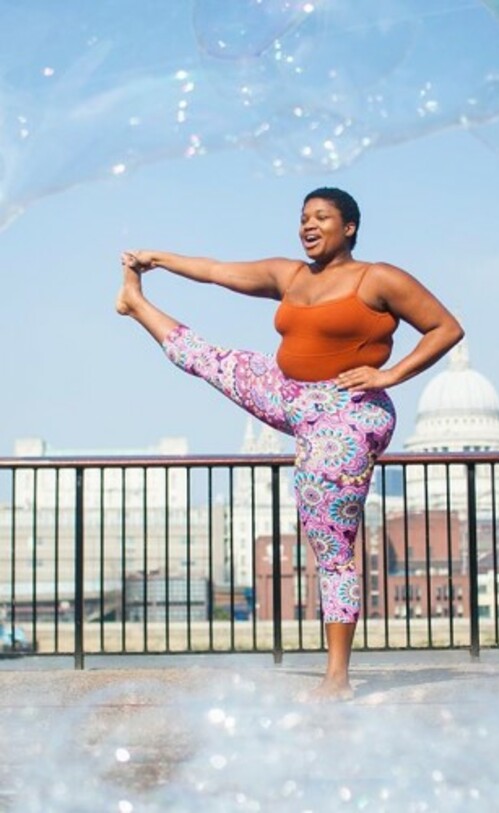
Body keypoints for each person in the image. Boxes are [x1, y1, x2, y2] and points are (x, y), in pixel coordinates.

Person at [116, 187, 464, 701]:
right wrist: (157, 260)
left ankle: (337, 676)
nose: (308, 225)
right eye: (303, 217)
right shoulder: (290, 275)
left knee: (330, 545)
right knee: (212, 359)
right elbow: (217, 270)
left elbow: (446, 328)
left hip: (347, 415)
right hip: (290, 396)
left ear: (349, 227)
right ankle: (134, 302)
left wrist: (390, 374)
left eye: (321, 217)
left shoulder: (379, 278)